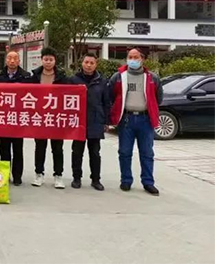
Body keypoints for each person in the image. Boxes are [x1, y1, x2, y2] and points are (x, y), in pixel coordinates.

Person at [110, 47, 163, 196]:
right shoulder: (118, 77)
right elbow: (111, 96)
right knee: (124, 152)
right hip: (126, 119)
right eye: (130, 57)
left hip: (145, 119)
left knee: (147, 153)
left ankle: (148, 182)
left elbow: (158, 98)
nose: (132, 60)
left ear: (142, 59)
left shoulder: (152, 78)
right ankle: (126, 180)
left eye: (135, 57)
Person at [27, 46, 70, 189]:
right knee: (40, 147)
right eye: (46, 59)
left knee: (57, 148)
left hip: (56, 117)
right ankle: (39, 174)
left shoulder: (62, 77)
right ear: (41, 60)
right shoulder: (34, 76)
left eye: (51, 59)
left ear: (55, 61)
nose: (48, 62)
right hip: (40, 117)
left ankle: (58, 176)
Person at [70, 53, 110, 191]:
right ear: (82, 63)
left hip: (95, 121)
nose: (88, 65)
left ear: (96, 65)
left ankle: (96, 179)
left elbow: (106, 102)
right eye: (86, 62)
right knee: (77, 152)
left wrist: (106, 121)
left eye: (92, 63)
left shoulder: (102, 81)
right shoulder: (74, 80)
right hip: (78, 121)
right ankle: (76, 178)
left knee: (95, 152)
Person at [0, 47, 30, 185]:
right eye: (9, 58)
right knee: (4, 149)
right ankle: (5, 174)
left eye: (15, 58)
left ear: (19, 61)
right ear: (6, 60)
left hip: (18, 118)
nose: (12, 61)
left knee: (17, 149)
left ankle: (17, 176)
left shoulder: (26, 77)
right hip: (4, 118)